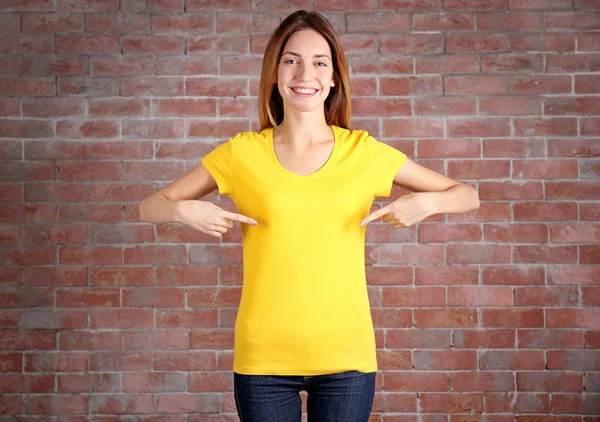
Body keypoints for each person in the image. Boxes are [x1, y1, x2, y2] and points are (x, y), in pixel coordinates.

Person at [139, 9, 480, 422]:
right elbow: (149, 207)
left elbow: (467, 195)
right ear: (275, 73)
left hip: (347, 359)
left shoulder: (364, 153)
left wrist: (428, 203)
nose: (305, 73)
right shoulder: (241, 153)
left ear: (334, 77)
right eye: (291, 60)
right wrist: (180, 210)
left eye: (320, 62)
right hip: (263, 359)